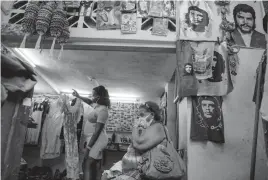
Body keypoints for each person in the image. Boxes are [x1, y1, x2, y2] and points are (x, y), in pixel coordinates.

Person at [102, 101, 167, 180]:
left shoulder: (158, 127)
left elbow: (138, 145)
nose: (139, 118)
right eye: (138, 115)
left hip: (142, 168)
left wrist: (135, 128)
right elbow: (135, 143)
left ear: (152, 115)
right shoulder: (146, 128)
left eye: (142, 115)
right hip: (129, 165)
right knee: (105, 176)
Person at [72, 85, 110, 180]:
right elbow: (89, 101)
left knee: (87, 163)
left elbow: (97, 132)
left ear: (99, 96)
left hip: (98, 139)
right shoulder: (98, 106)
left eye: (93, 95)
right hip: (94, 139)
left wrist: (88, 147)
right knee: (96, 164)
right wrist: (79, 96)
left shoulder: (103, 110)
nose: (92, 97)